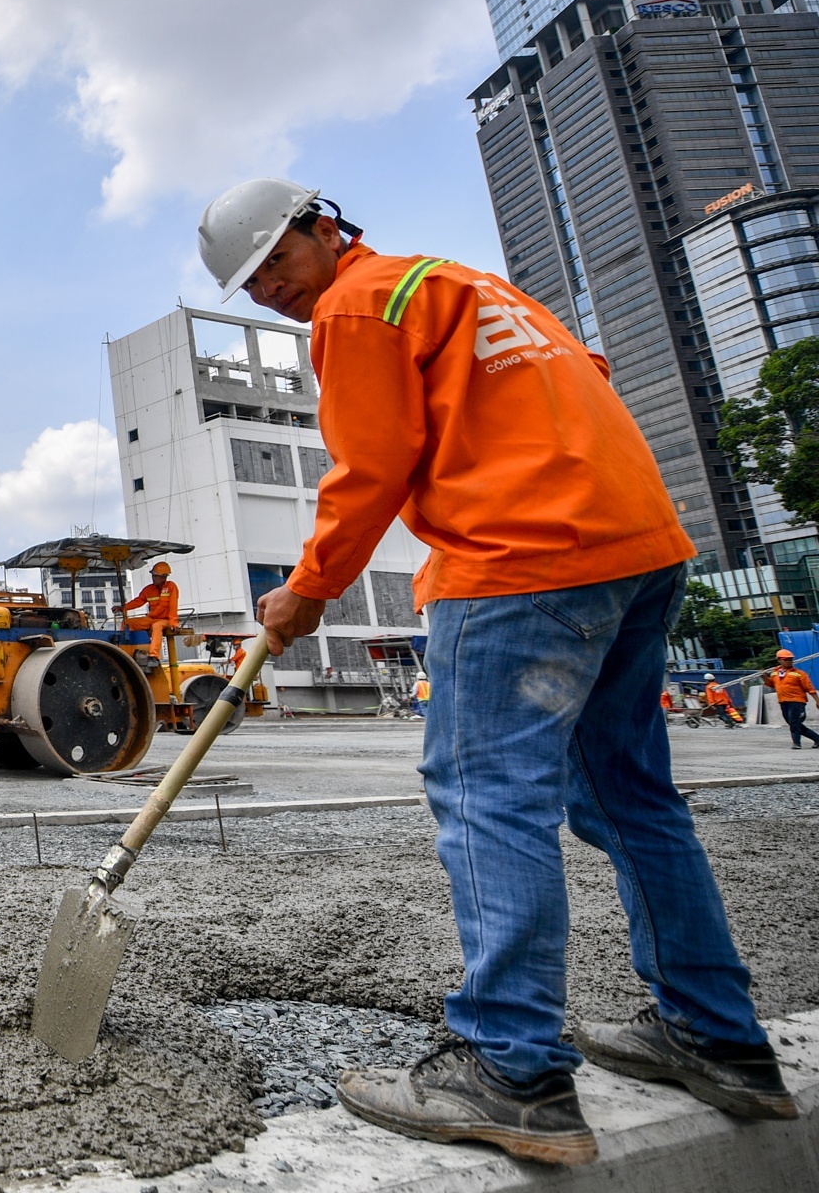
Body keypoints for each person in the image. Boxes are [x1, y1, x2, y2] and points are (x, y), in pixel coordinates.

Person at [198, 178, 796, 1164]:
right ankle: (719, 1036)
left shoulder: (356, 305)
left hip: (520, 562)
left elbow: (372, 464)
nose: (269, 288)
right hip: (636, 546)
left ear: (323, 228)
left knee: (488, 798)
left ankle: (514, 1070)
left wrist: (308, 588)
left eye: (276, 260)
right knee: (632, 798)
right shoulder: (467, 286)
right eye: (251, 281)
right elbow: (589, 373)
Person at [123, 561, 180, 656]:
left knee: (157, 626)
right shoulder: (149, 590)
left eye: (156, 576)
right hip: (151, 619)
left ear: (164, 577)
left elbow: (173, 606)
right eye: (153, 575)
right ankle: (126, 651)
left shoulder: (171, 587)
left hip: (165, 620)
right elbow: (138, 601)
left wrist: (174, 623)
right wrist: (123, 608)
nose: (153, 578)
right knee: (126, 623)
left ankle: (154, 655)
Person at [764, 649, 819, 748]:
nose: (789, 661)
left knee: (794, 722)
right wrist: (763, 677)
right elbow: (771, 684)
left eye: (790, 659)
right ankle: (817, 739)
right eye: (786, 659)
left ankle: (796, 743)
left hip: (797, 701)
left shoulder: (799, 674)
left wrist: (817, 701)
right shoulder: (775, 673)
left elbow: (810, 688)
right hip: (783, 701)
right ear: (779, 660)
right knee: (793, 723)